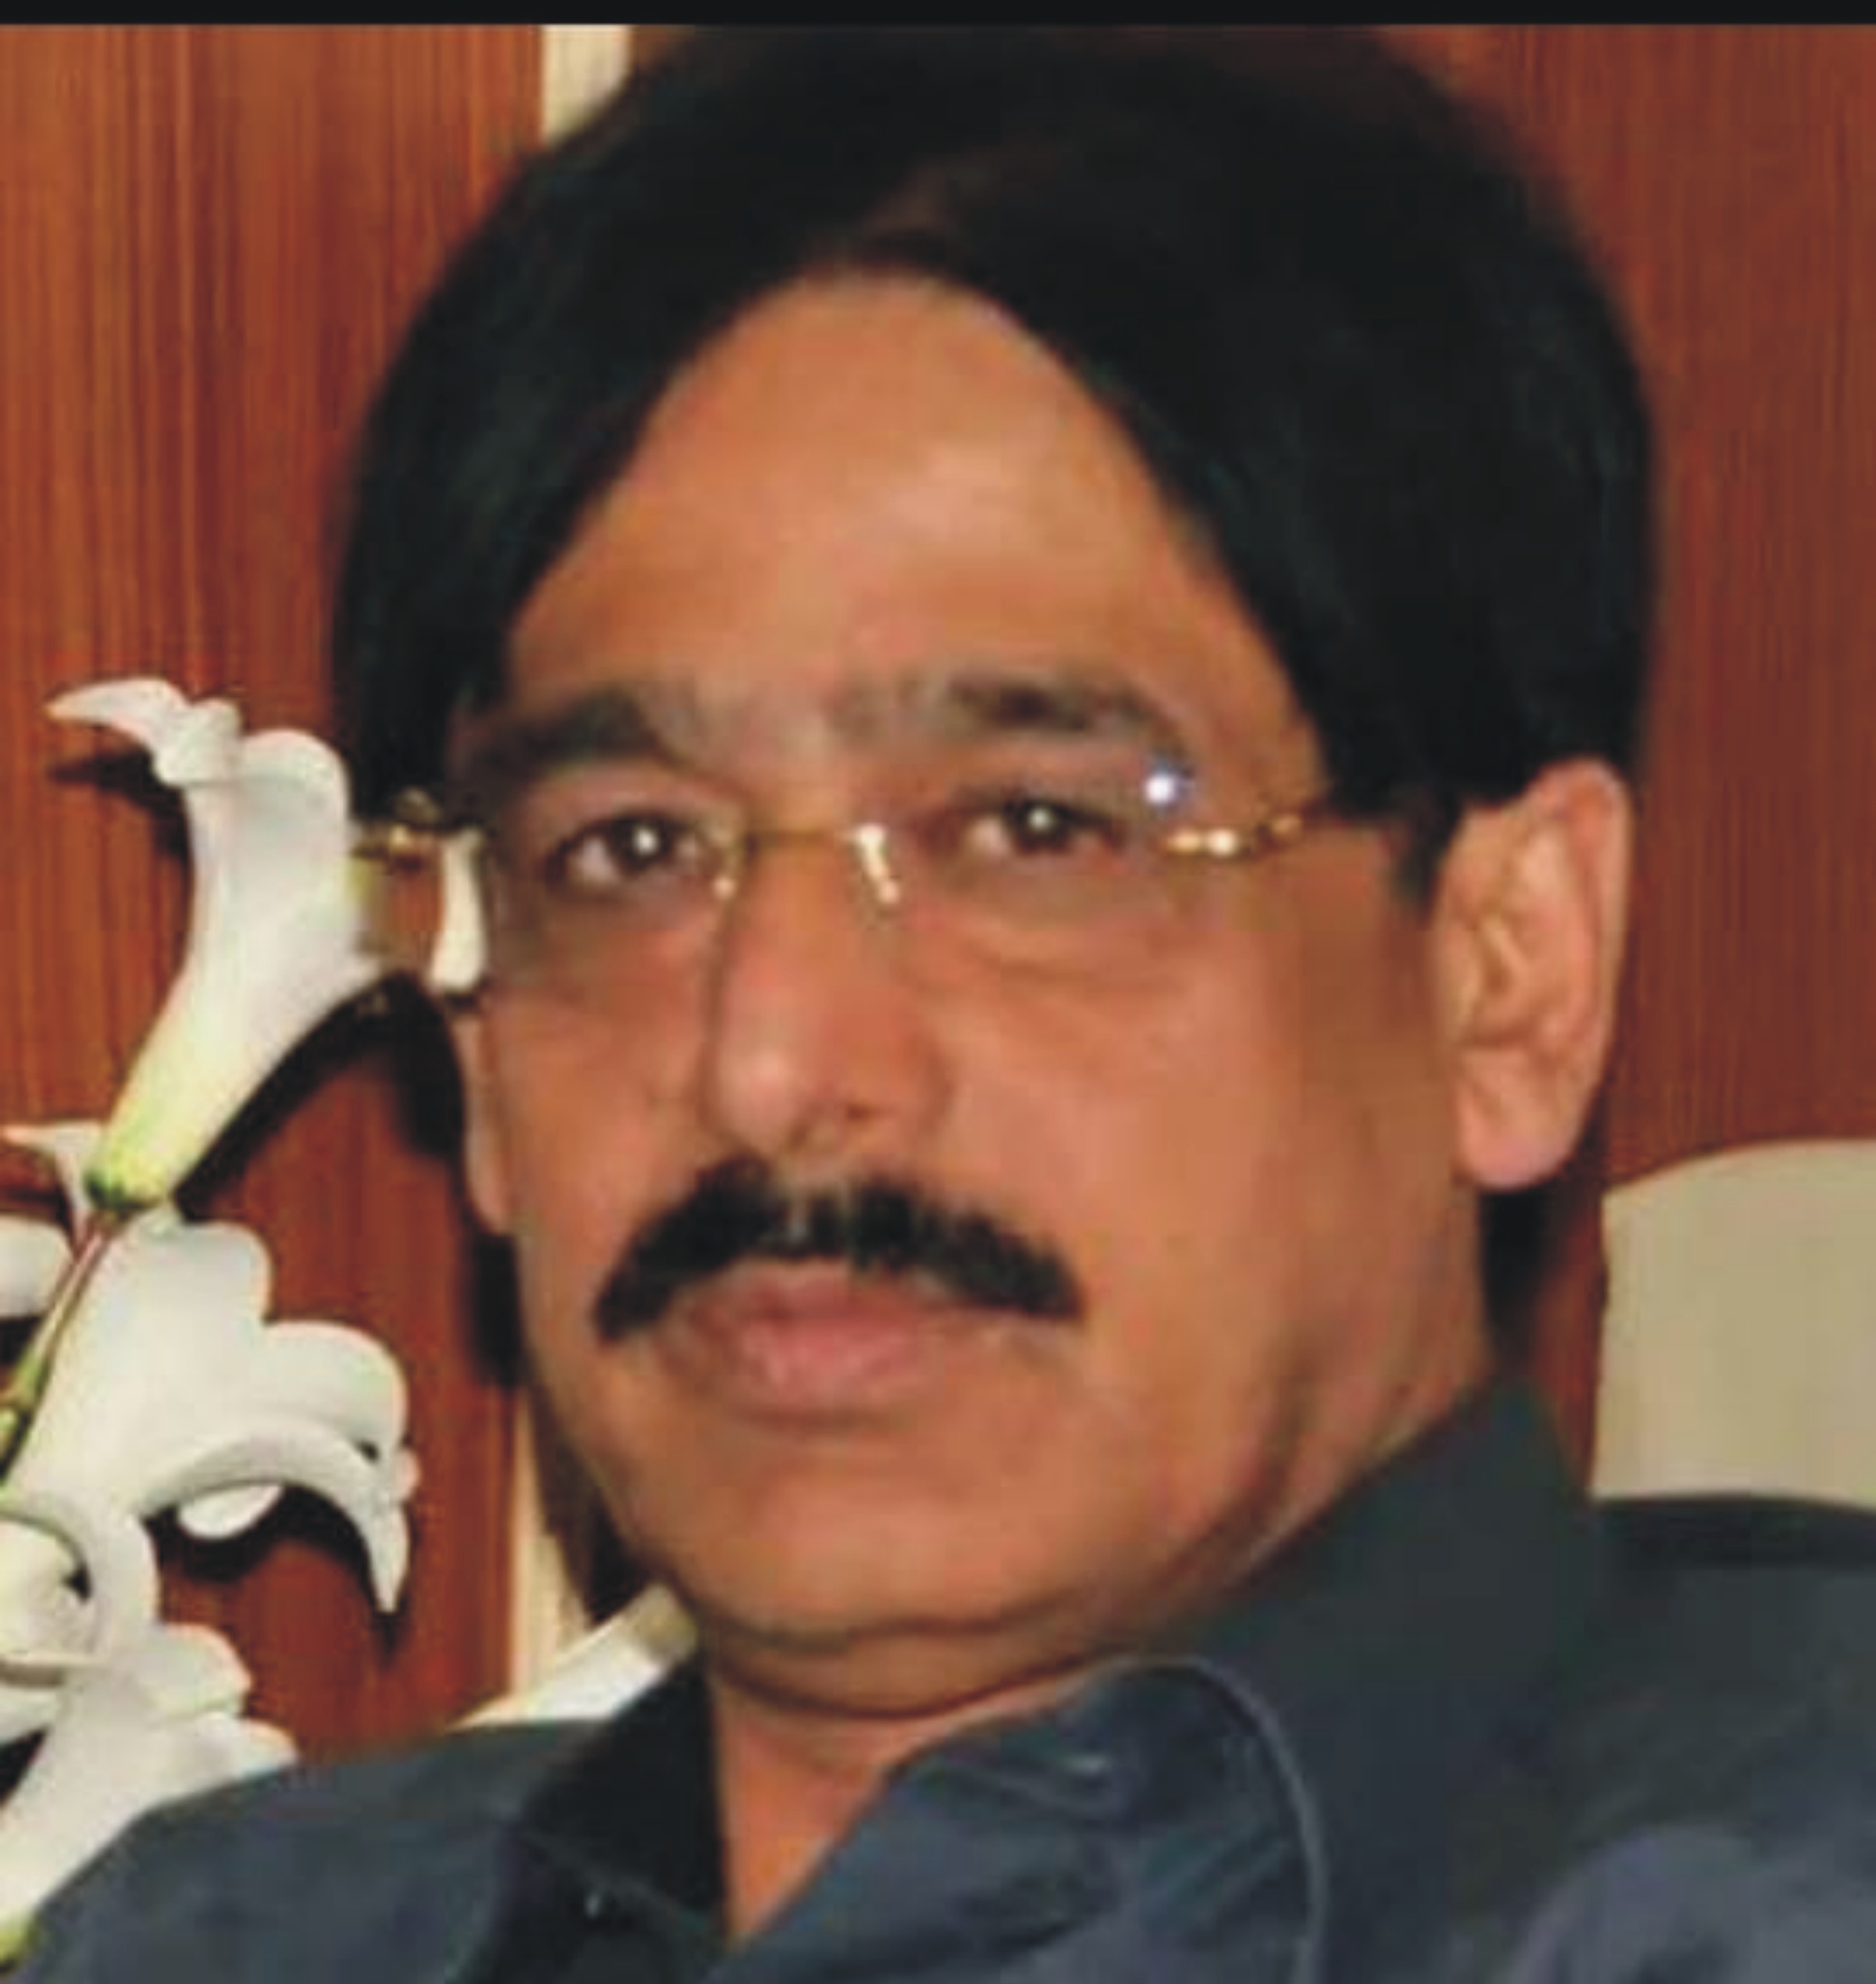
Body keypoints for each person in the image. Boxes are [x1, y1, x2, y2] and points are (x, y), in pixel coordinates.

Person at [21, 25, 1876, 1981]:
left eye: (1033, 829)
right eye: (628, 849)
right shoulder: (228, 1934)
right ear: (473, 1049)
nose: (769, 1059)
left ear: (1510, 969)